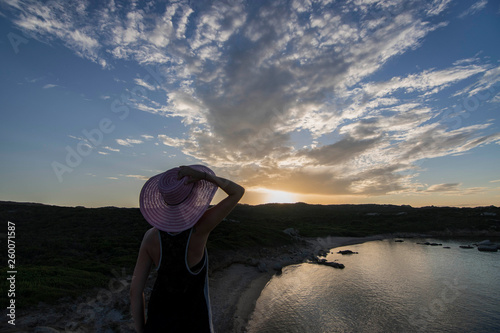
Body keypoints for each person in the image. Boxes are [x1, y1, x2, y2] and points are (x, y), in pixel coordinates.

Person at [130, 165, 245, 332]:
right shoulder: (199, 230)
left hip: (157, 324)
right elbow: (237, 192)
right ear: (193, 195)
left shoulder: (150, 237)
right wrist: (206, 176)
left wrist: (142, 330)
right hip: (194, 324)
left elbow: (135, 291)